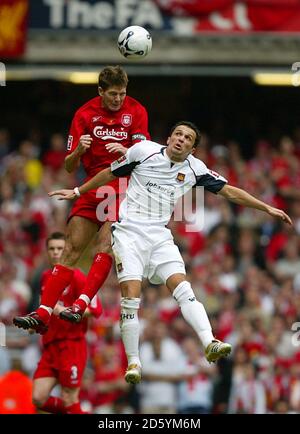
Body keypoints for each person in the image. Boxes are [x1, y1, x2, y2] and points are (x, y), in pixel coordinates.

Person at [48, 121, 292, 384]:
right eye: (178, 134)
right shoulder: (144, 151)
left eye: (187, 138)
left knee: (183, 289)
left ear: (193, 148)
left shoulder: (195, 169)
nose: (181, 139)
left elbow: (230, 192)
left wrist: (267, 209)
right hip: (128, 233)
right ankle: (134, 362)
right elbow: (109, 173)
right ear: (169, 137)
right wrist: (77, 191)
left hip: (160, 237)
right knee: (131, 296)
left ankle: (210, 342)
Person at [13, 65, 149, 333]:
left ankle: (81, 303)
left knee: (105, 244)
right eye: (112, 94)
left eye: (122, 94)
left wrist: (127, 149)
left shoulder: (136, 111)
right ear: (100, 91)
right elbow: (68, 166)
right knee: (70, 250)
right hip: (91, 188)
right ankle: (42, 312)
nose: (118, 100)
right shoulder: (84, 115)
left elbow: (145, 157)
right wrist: (78, 151)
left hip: (123, 187)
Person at [31, 232, 102, 414]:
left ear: (66, 251)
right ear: (47, 251)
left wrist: (64, 311)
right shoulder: (46, 276)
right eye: (52, 248)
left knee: (69, 397)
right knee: (38, 398)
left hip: (71, 345)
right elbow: (47, 310)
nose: (55, 252)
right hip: (50, 347)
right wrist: (37, 324)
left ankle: (75, 409)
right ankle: (78, 411)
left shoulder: (77, 276)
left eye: (60, 249)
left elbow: (95, 310)